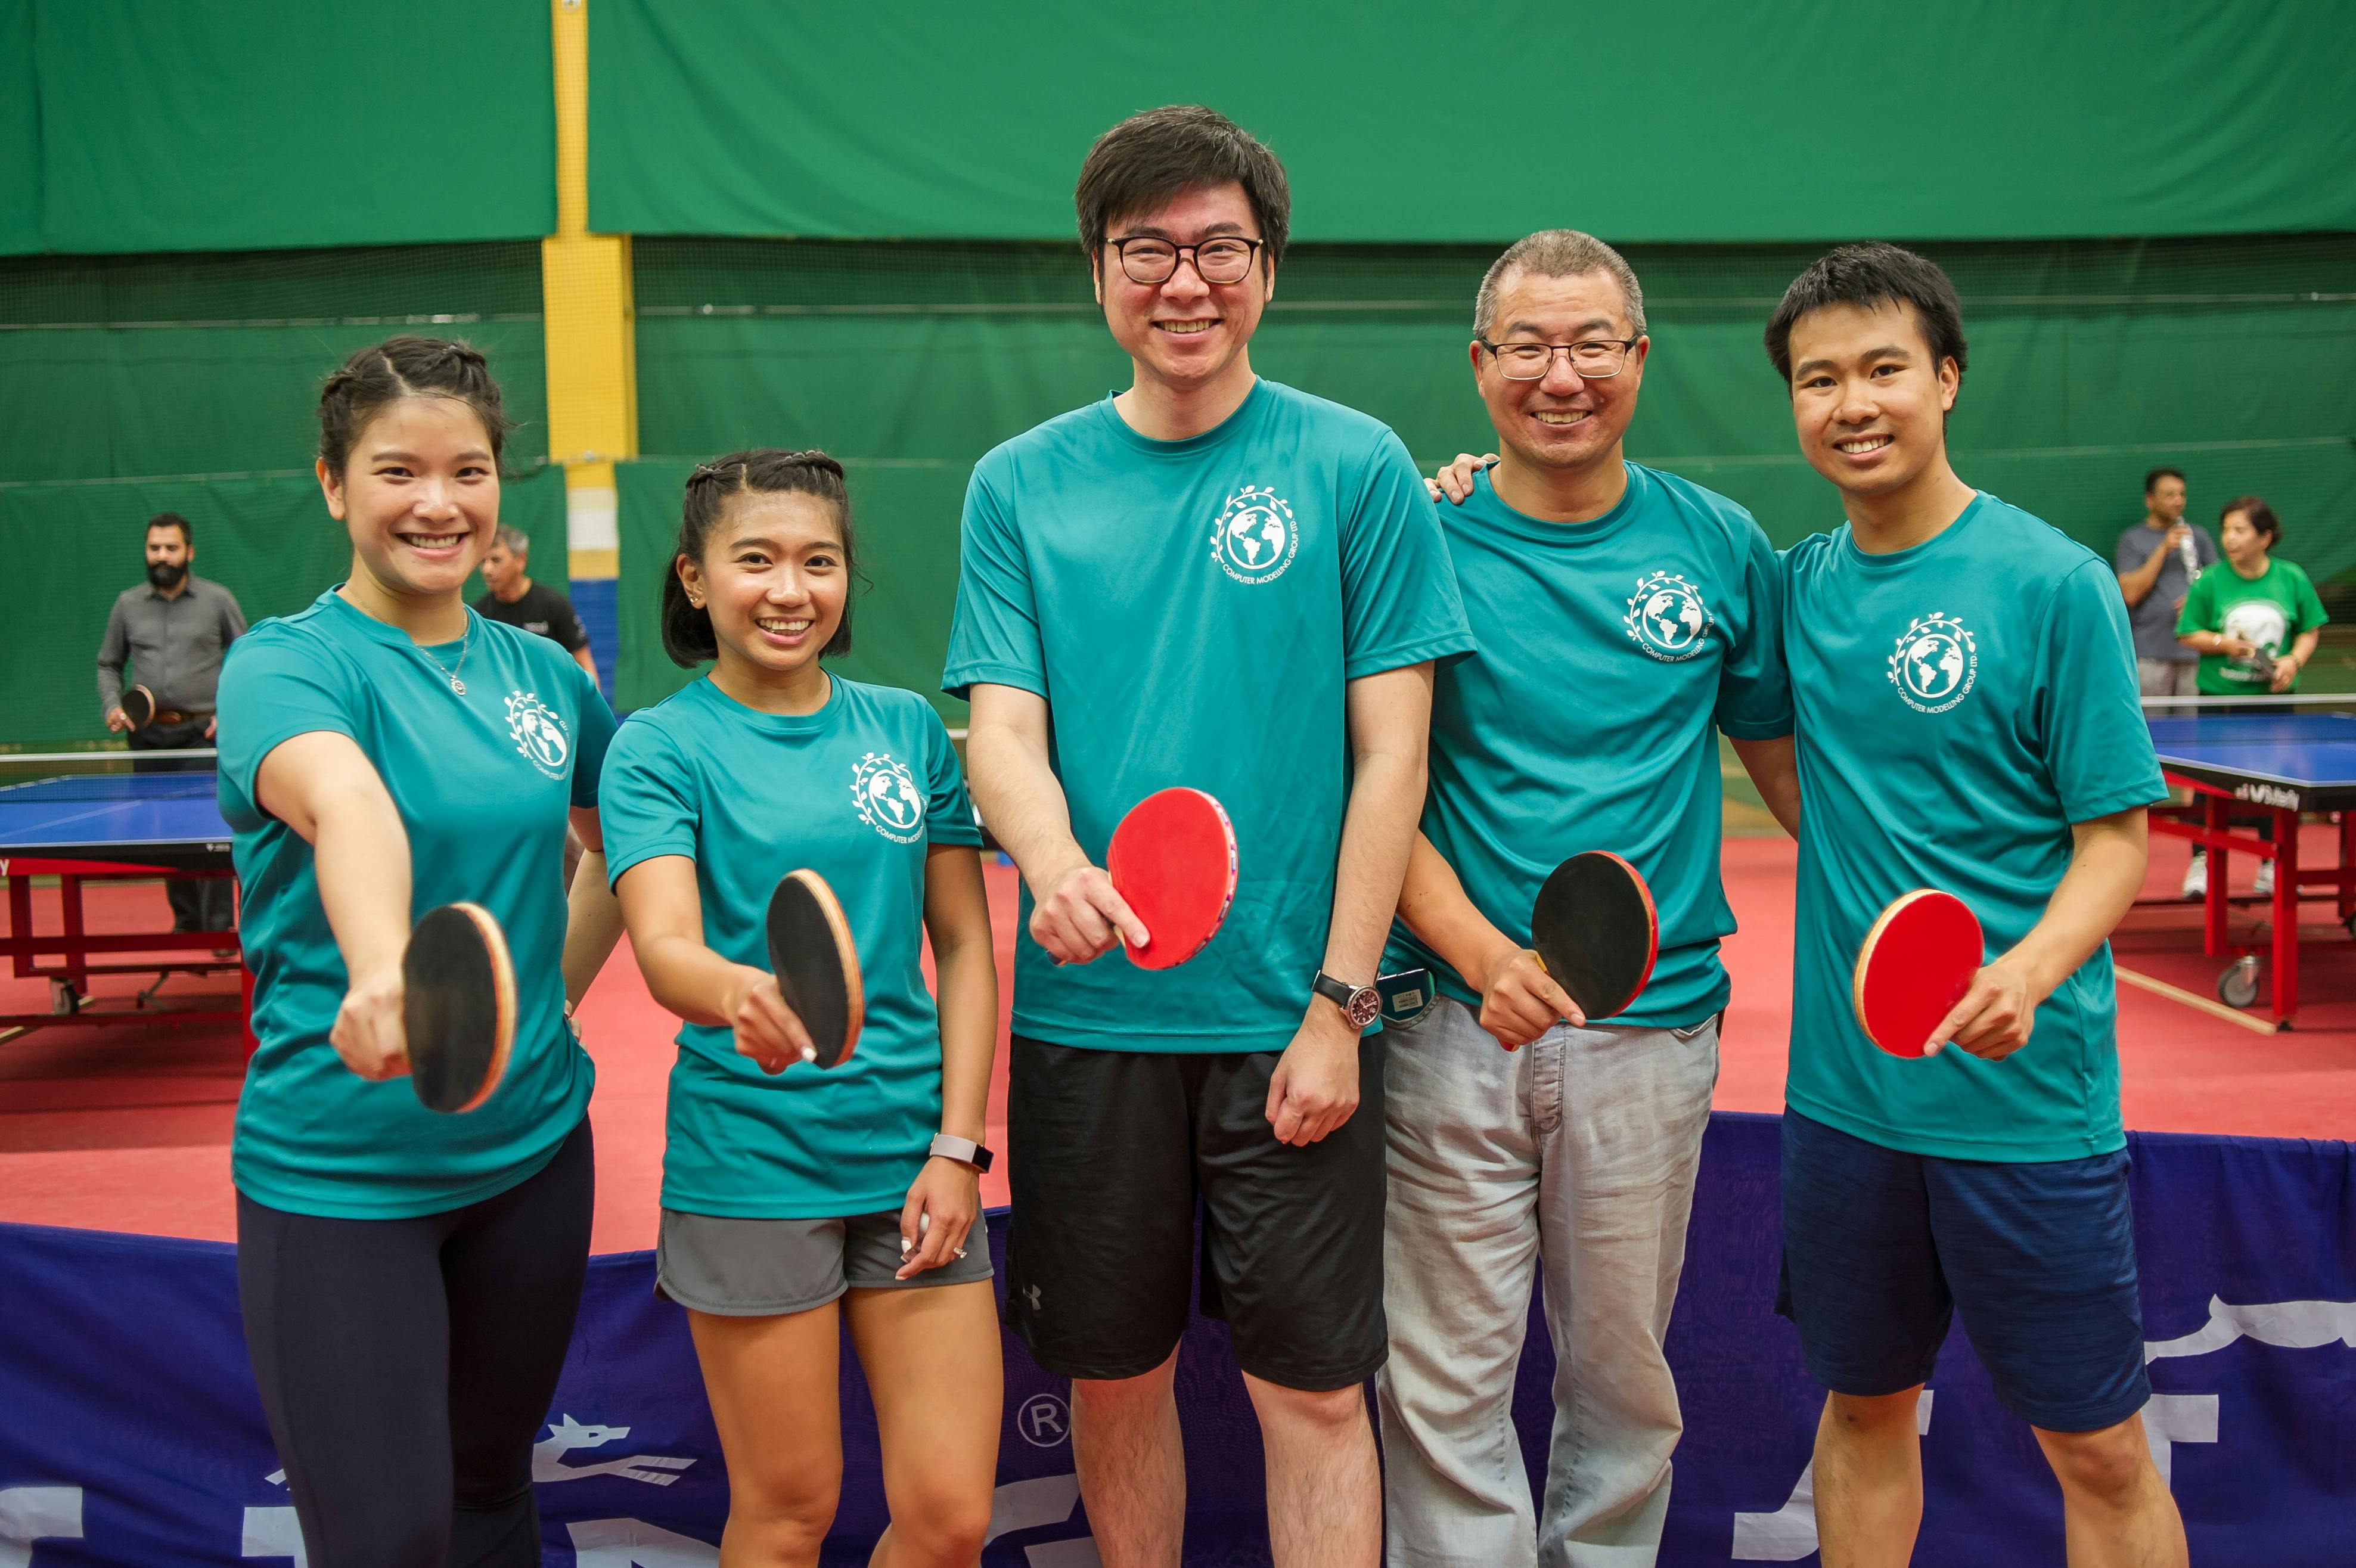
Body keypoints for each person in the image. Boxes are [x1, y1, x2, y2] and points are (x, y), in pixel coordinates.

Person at [943, 105, 1472, 1568]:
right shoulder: (1017, 484)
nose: (1186, 282)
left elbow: (1391, 752)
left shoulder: (1354, 466)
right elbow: (1002, 729)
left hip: (1286, 1022)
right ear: (1098, 271)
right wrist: (1050, 862)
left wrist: (1338, 999)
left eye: (1219, 249)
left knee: (1307, 1387)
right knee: (1111, 1377)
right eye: (1148, 251)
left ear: (1268, 265)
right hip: (1088, 1021)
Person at [1750, 246, 2186, 1567]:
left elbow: (2113, 839)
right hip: (1844, 1104)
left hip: (2024, 1097)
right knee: (1863, 1402)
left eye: (1881, 368)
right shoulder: (1792, 587)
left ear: (1943, 376)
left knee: (2097, 1443)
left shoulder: (2048, 582)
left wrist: (2025, 969)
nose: (1850, 402)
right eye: (1816, 379)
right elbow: (1778, 760)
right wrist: (1461, 487)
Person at [1389, 231, 1796, 1567]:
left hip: (1653, 1029)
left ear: (1635, 358)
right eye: (1526, 345)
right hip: (1449, 1023)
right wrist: (1471, 948)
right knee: (1442, 1383)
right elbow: (1367, 788)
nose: (1558, 375)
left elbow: (1796, 784)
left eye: (1589, 345)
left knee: (1620, 1384)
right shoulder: (1411, 538)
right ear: (1478, 364)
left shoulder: (1720, 547)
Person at [215, 336, 624, 1567]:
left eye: (469, 471)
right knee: (387, 1537)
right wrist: (387, 967)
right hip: (343, 1178)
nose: (437, 503)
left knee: (494, 1490)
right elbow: (351, 805)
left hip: (533, 1157)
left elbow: (619, 841)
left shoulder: (545, 677)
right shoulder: (287, 663)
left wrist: (537, 1005)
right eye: (398, 471)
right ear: (336, 485)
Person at [601, 449, 1002, 1567]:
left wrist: (958, 1148)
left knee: (948, 1516)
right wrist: (740, 993)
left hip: (912, 1165)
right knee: (786, 1518)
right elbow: (665, 944)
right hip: (752, 1165)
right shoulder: (660, 747)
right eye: (756, 561)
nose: (790, 590)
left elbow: (966, 947)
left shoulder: (907, 728)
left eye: (818, 562)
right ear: (693, 579)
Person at [97, 511, 248, 934]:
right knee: (161, 830)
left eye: (171, 547)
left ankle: (219, 929)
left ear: (189, 552)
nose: (162, 555)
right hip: (148, 737)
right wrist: (113, 704)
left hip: (203, 734)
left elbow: (245, 657)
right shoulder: (127, 605)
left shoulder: (217, 601)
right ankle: (187, 924)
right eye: (154, 548)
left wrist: (228, 710)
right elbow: (108, 664)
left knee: (209, 828)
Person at [2172, 495, 2326, 901]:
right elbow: (2188, 632)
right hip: (2219, 702)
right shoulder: (2210, 581)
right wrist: (2226, 644)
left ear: (2264, 537)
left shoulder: (2290, 577)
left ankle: (2271, 864)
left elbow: (2310, 629)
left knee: (2273, 784)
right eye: (2225, 529)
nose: (2229, 538)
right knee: (2207, 785)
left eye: (2239, 530)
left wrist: (2293, 659)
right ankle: (2201, 861)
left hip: (2272, 704)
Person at [2113, 467, 2216, 703]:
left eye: (2182, 495)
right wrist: (2163, 548)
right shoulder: (2132, 540)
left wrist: (2196, 601)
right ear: (2150, 500)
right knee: (2153, 731)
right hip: (2150, 656)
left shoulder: (2198, 537)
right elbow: (2129, 594)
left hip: (2195, 655)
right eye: (2170, 495)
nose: (2178, 501)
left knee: (2191, 734)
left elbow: (2220, 591)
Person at [476, 523, 598, 684]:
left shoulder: (554, 605)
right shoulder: (479, 615)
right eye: (482, 561)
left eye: (496, 560)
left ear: (521, 560)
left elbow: (585, 664)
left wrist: (592, 707)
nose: (487, 570)